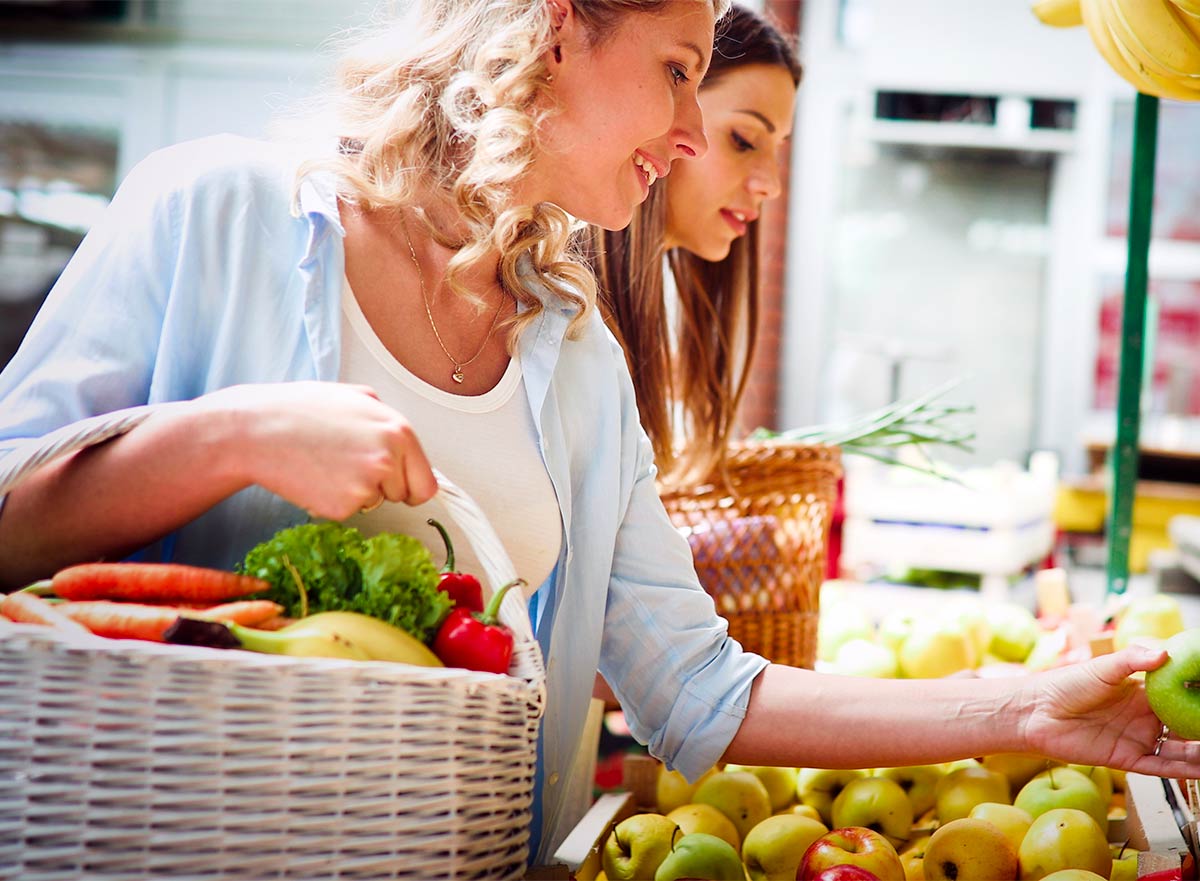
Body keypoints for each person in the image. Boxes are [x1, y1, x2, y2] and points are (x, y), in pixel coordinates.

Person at [0, 0, 1196, 869]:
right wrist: (229, 436)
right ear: (555, 31)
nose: (690, 127)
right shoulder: (213, 208)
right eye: (678, 69)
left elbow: (700, 692)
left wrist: (1024, 709)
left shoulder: (576, 355)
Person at [592, 3, 800, 488]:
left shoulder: (654, 320)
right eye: (745, 140)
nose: (771, 185)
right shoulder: (554, 308)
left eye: (778, 151)